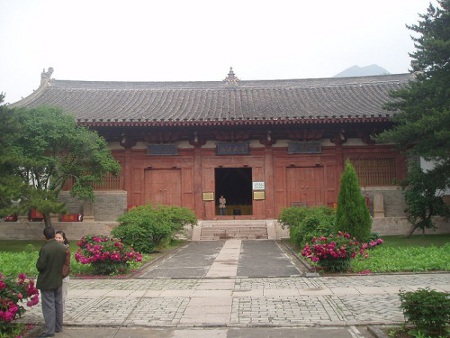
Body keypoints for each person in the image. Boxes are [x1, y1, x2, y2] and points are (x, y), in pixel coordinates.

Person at [36, 227, 67, 337]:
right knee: (58, 304)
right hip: (58, 279)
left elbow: (41, 266)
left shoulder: (45, 248)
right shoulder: (62, 248)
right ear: (54, 235)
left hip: (47, 280)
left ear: (45, 236)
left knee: (49, 305)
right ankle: (58, 327)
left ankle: (49, 330)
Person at [55, 230, 70, 313]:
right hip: (54, 276)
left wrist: (62, 275)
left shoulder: (66, 250)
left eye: (59, 238)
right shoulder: (52, 248)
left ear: (63, 239)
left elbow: (66, 264)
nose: (57, 239)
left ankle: (61, 313)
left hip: (63, 276)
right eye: (56, 237)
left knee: (62, 297)